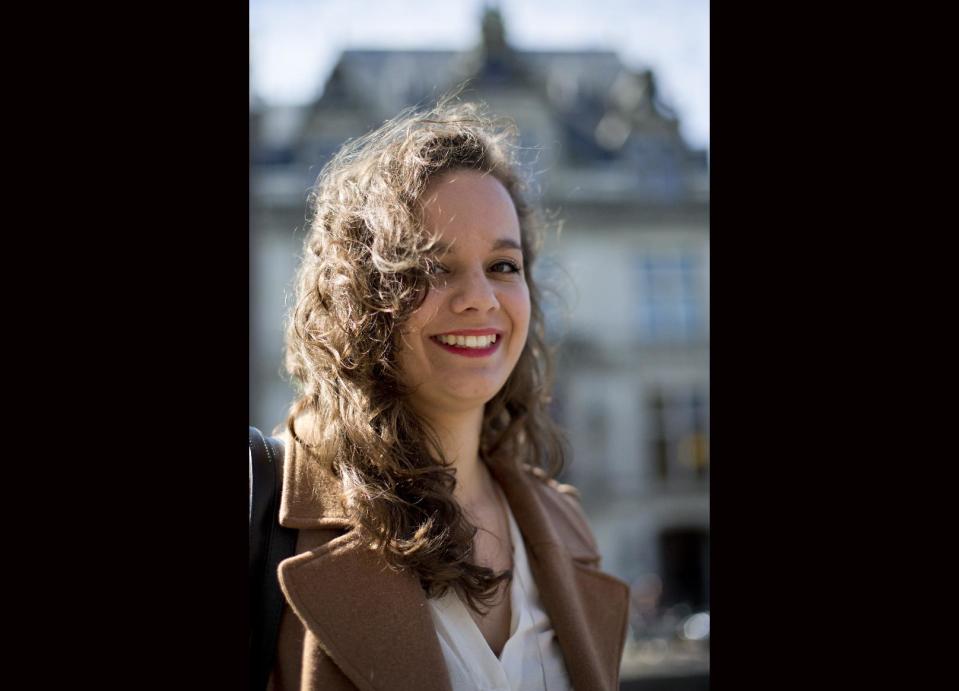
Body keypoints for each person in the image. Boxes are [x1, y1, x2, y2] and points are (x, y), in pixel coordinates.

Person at [265, 98, 630, 691]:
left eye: (504, 266)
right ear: (360, 299)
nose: (480, 298)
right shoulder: (264, 513)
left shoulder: (568, 528)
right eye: (433, 265)